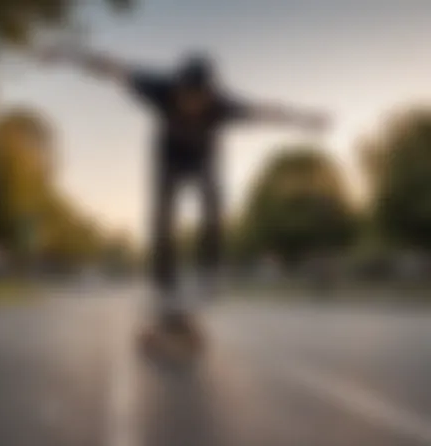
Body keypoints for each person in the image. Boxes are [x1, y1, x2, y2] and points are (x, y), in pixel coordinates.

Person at [39, 48, 330, 331]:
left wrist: (305, 120)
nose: (190, 105)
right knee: (162, 218)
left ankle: (211, 271)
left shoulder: (222, 105)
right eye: (185, 98)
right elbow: (111, 67)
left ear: (208, 95)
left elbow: (265, 112)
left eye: (197, 100)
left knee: (213, 202)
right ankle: (163, 286)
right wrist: (65, 54)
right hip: (168, 161)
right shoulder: (159, 88)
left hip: (203, 161)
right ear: (178, 88)